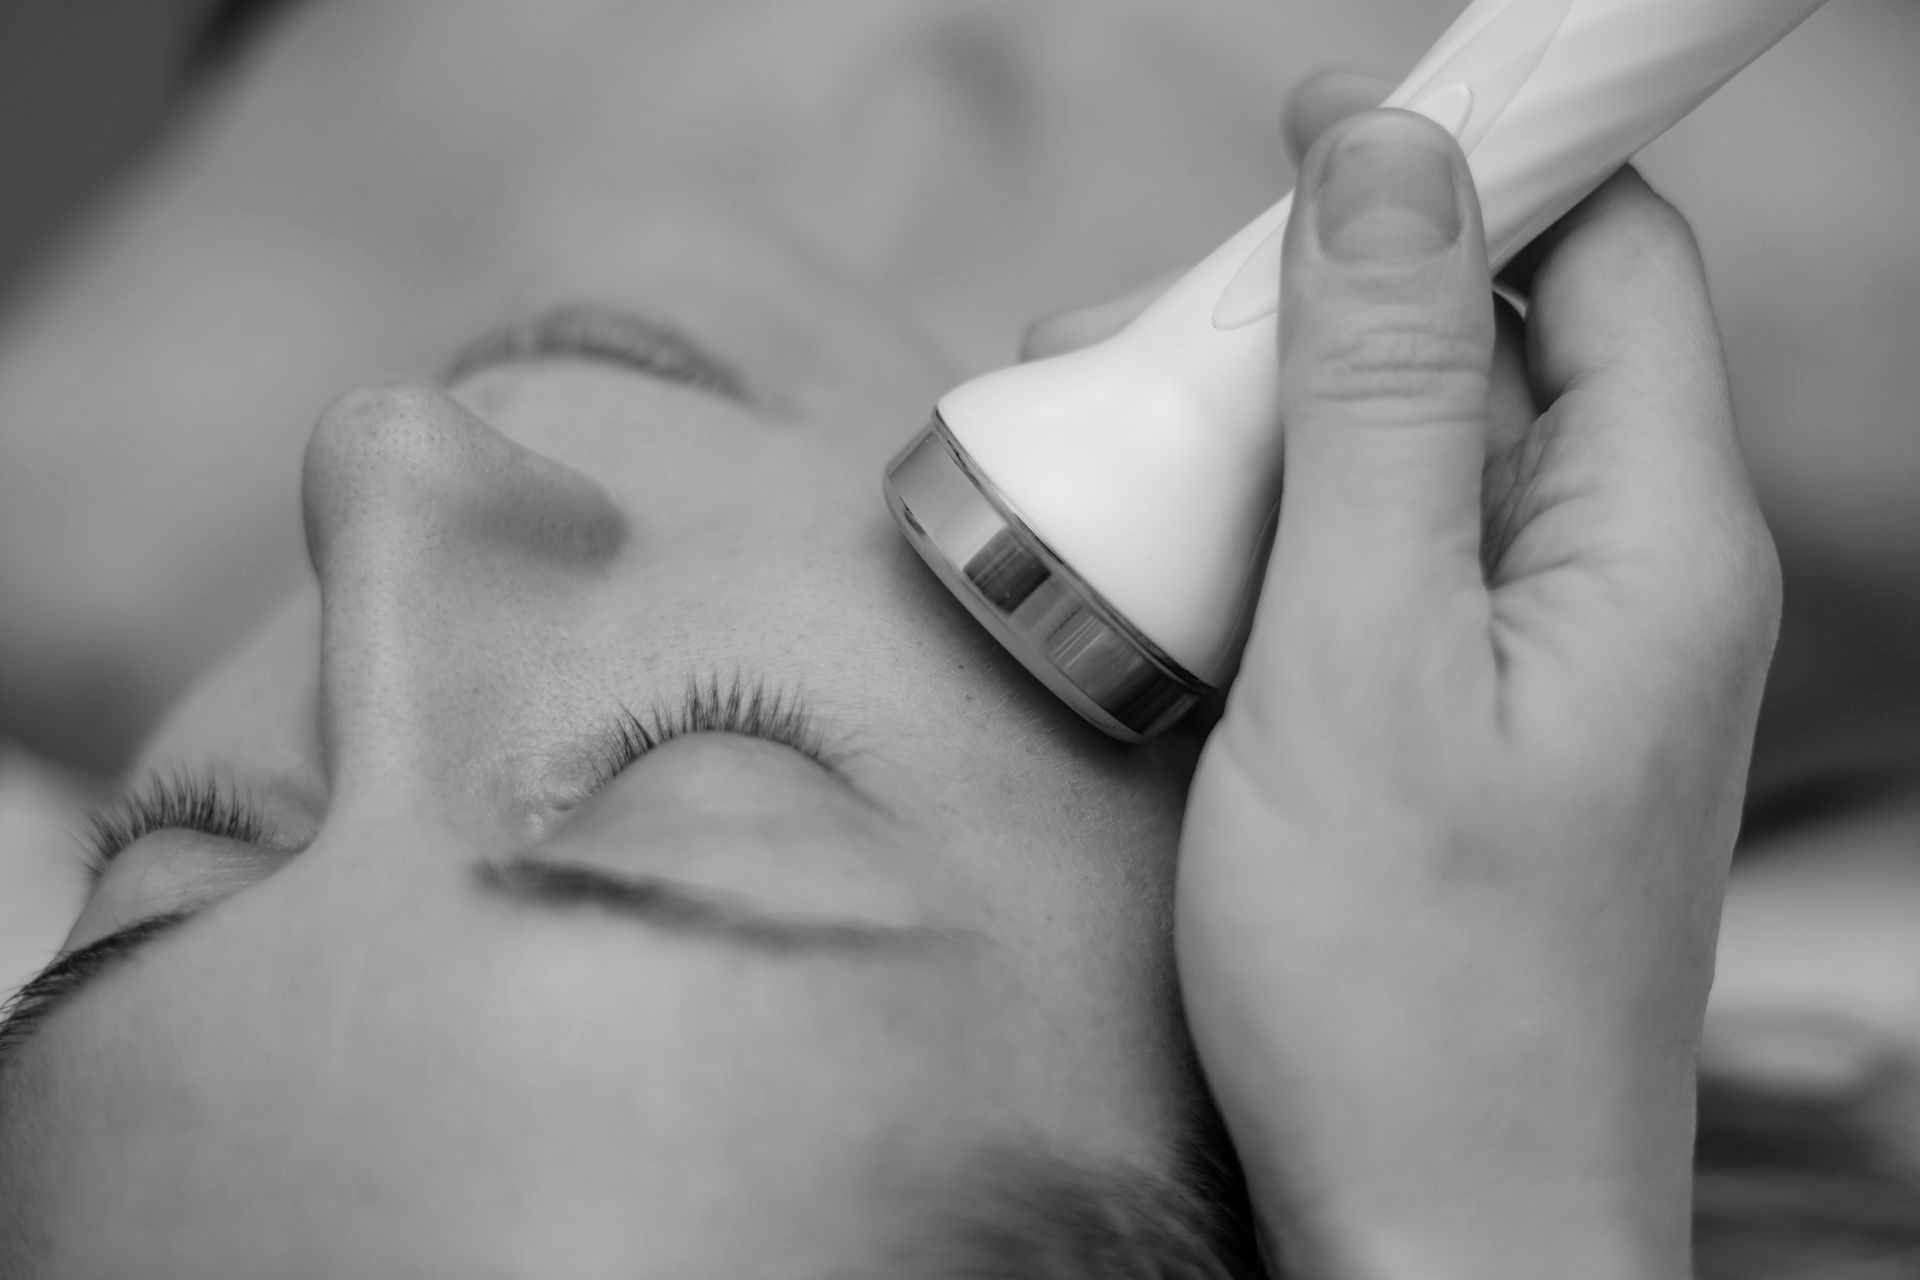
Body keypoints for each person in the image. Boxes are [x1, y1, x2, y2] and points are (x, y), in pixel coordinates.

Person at [0, 3, 1914, 1277]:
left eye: (204, 833)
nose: (388, 471)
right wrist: (1489, 1203)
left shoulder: (88, 485)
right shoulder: (1865, 295)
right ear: (1351, 999)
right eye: (711, 781)